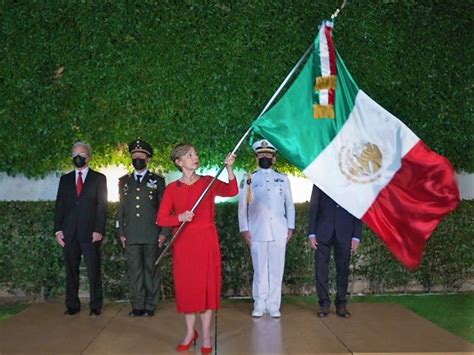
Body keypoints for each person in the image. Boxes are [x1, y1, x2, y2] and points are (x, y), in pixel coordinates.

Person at [156, 143, 237, 354]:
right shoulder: (172, 189)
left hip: (207, 243)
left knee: (207, 290)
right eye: (189, 155)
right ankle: (191, 332)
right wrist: (179, 217)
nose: (195, 158)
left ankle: (207, 335)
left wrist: (229, 168)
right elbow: (162, 218)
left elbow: (232, 190)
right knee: (188, 290)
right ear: (179, 162)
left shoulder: (208, 183)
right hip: (184, 245)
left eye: (196, 154)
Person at [238, 139, 295, 318]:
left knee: (277, 269)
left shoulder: (283, 178)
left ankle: (273, 305)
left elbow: (290, 205)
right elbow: (242, 207)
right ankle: (259, 304)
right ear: (256, 158)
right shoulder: (249, 178)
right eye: (261, 155)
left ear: (274, 158)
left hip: (279, 230)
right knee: (260, 269)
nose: (265, 157)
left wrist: (291, 227)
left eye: (268, 155)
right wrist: (244, 229)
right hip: (256, 230)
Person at [54, 142, 107, 316]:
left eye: (82, 154)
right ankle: (72, 306)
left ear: (89, 157)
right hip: (69, 233)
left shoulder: (99, 178)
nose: (79, 157)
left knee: (93, 271)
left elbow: (101, 205)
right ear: (71, 157)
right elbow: (60, 206)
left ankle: (95, 306)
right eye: (76, 154)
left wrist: (99, 229)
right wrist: (58, 230)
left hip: (91, 233)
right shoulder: (65, 179)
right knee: (71, 271)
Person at [117, 139, 169, 317]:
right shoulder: (124, 181)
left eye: (141, 157)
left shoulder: (158, 180)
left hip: (152, 234)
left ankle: (150, 305)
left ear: (148, 160)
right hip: (131, 234)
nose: (137, 159)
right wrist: (121, 232)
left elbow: (165, 208)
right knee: (134, 271)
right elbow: (121, 208)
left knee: (151, 271)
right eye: (134, 156)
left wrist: (164, 232)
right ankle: (137, 306)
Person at [308, 185, 362, 318]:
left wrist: (356, 235)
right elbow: (314, 205)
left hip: (345, 231)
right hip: (323, 231)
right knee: (321, 269)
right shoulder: (320, 176)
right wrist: (311, 233)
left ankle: (341, 304)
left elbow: (358, 208)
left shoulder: (352, 178)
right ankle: (323, 304)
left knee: (343, 270)